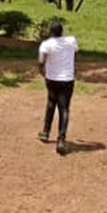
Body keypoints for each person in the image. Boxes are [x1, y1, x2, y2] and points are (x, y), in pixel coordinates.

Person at [36, 20, 78, 155]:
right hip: (67, 79)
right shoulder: (71, 41)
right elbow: (76, 54)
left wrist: (41, 71)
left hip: (52, 78)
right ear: (62, 31)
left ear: (50, 32)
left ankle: (46, 132)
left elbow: (41, 61)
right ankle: (61, 139)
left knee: (50, 102)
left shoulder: (46, 44)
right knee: (64, 108)